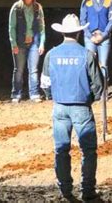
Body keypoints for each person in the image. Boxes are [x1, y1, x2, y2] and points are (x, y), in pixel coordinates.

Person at [41, 14, 104, 201]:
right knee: (89, 150)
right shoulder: (87, 54)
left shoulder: (51, 54)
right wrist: (89, 99)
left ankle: (65, 189)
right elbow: (98, 86)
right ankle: (87, 189)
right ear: (78, 32)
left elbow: (45, 83)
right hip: (81, 107)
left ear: (63, 33)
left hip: (60, 107)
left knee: (61, 149)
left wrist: (52, 97)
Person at [9, 0, 45, 103]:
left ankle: (34, 93)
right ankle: (16, 93)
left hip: (34, 42)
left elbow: (42, 28)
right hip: (19, 42)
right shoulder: (16, 8)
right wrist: (13, 43)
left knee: (33, 69)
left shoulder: (37, 8)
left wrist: (42, 43)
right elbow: (11, 27)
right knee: (19, 70)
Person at [79, 0, 112, 81]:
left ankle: (104, 90)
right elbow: (82, 21)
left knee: (103, 64)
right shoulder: (86, 0)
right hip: (90, 37)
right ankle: (92, 89)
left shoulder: (109, 1)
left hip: (104, 37)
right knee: (90, 64)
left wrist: (104, 35)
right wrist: (90, 36)